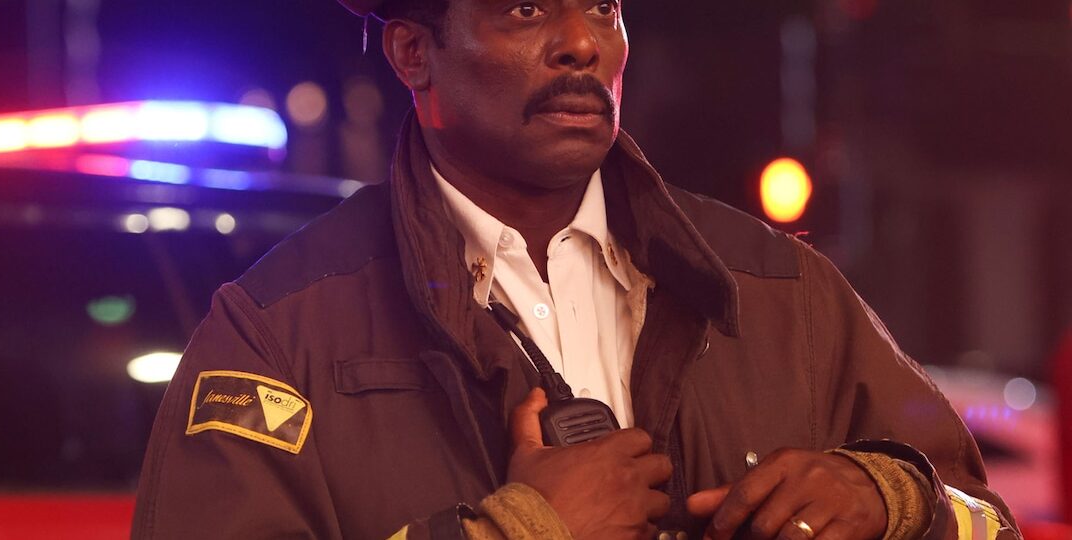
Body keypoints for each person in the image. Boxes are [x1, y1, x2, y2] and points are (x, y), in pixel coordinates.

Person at [131, 1, 1021, 538]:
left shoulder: (782, 290)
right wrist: (519, 532)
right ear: (412, 53)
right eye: (526, 10)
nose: (582, 44)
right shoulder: (278, 332)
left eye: (602, 6)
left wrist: (891, 498)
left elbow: (988, 517)